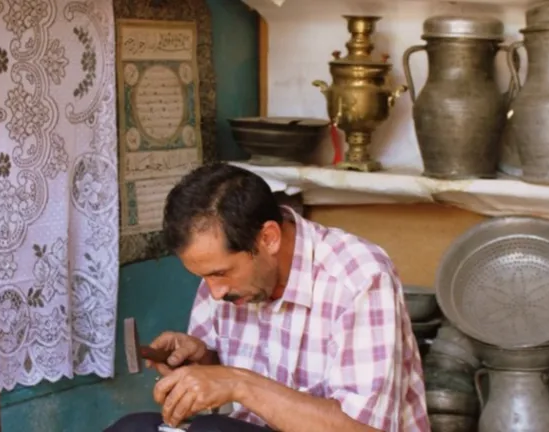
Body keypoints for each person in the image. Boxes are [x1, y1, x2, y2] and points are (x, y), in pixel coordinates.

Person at [106, 163, 428, 432]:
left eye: (220, 273)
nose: (214, 292)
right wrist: (203, 363)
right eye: (202, 277)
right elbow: (225, 387)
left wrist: (236, 383)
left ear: (269, 239)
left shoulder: (358, 277)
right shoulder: (222, 280)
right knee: (132, 429)